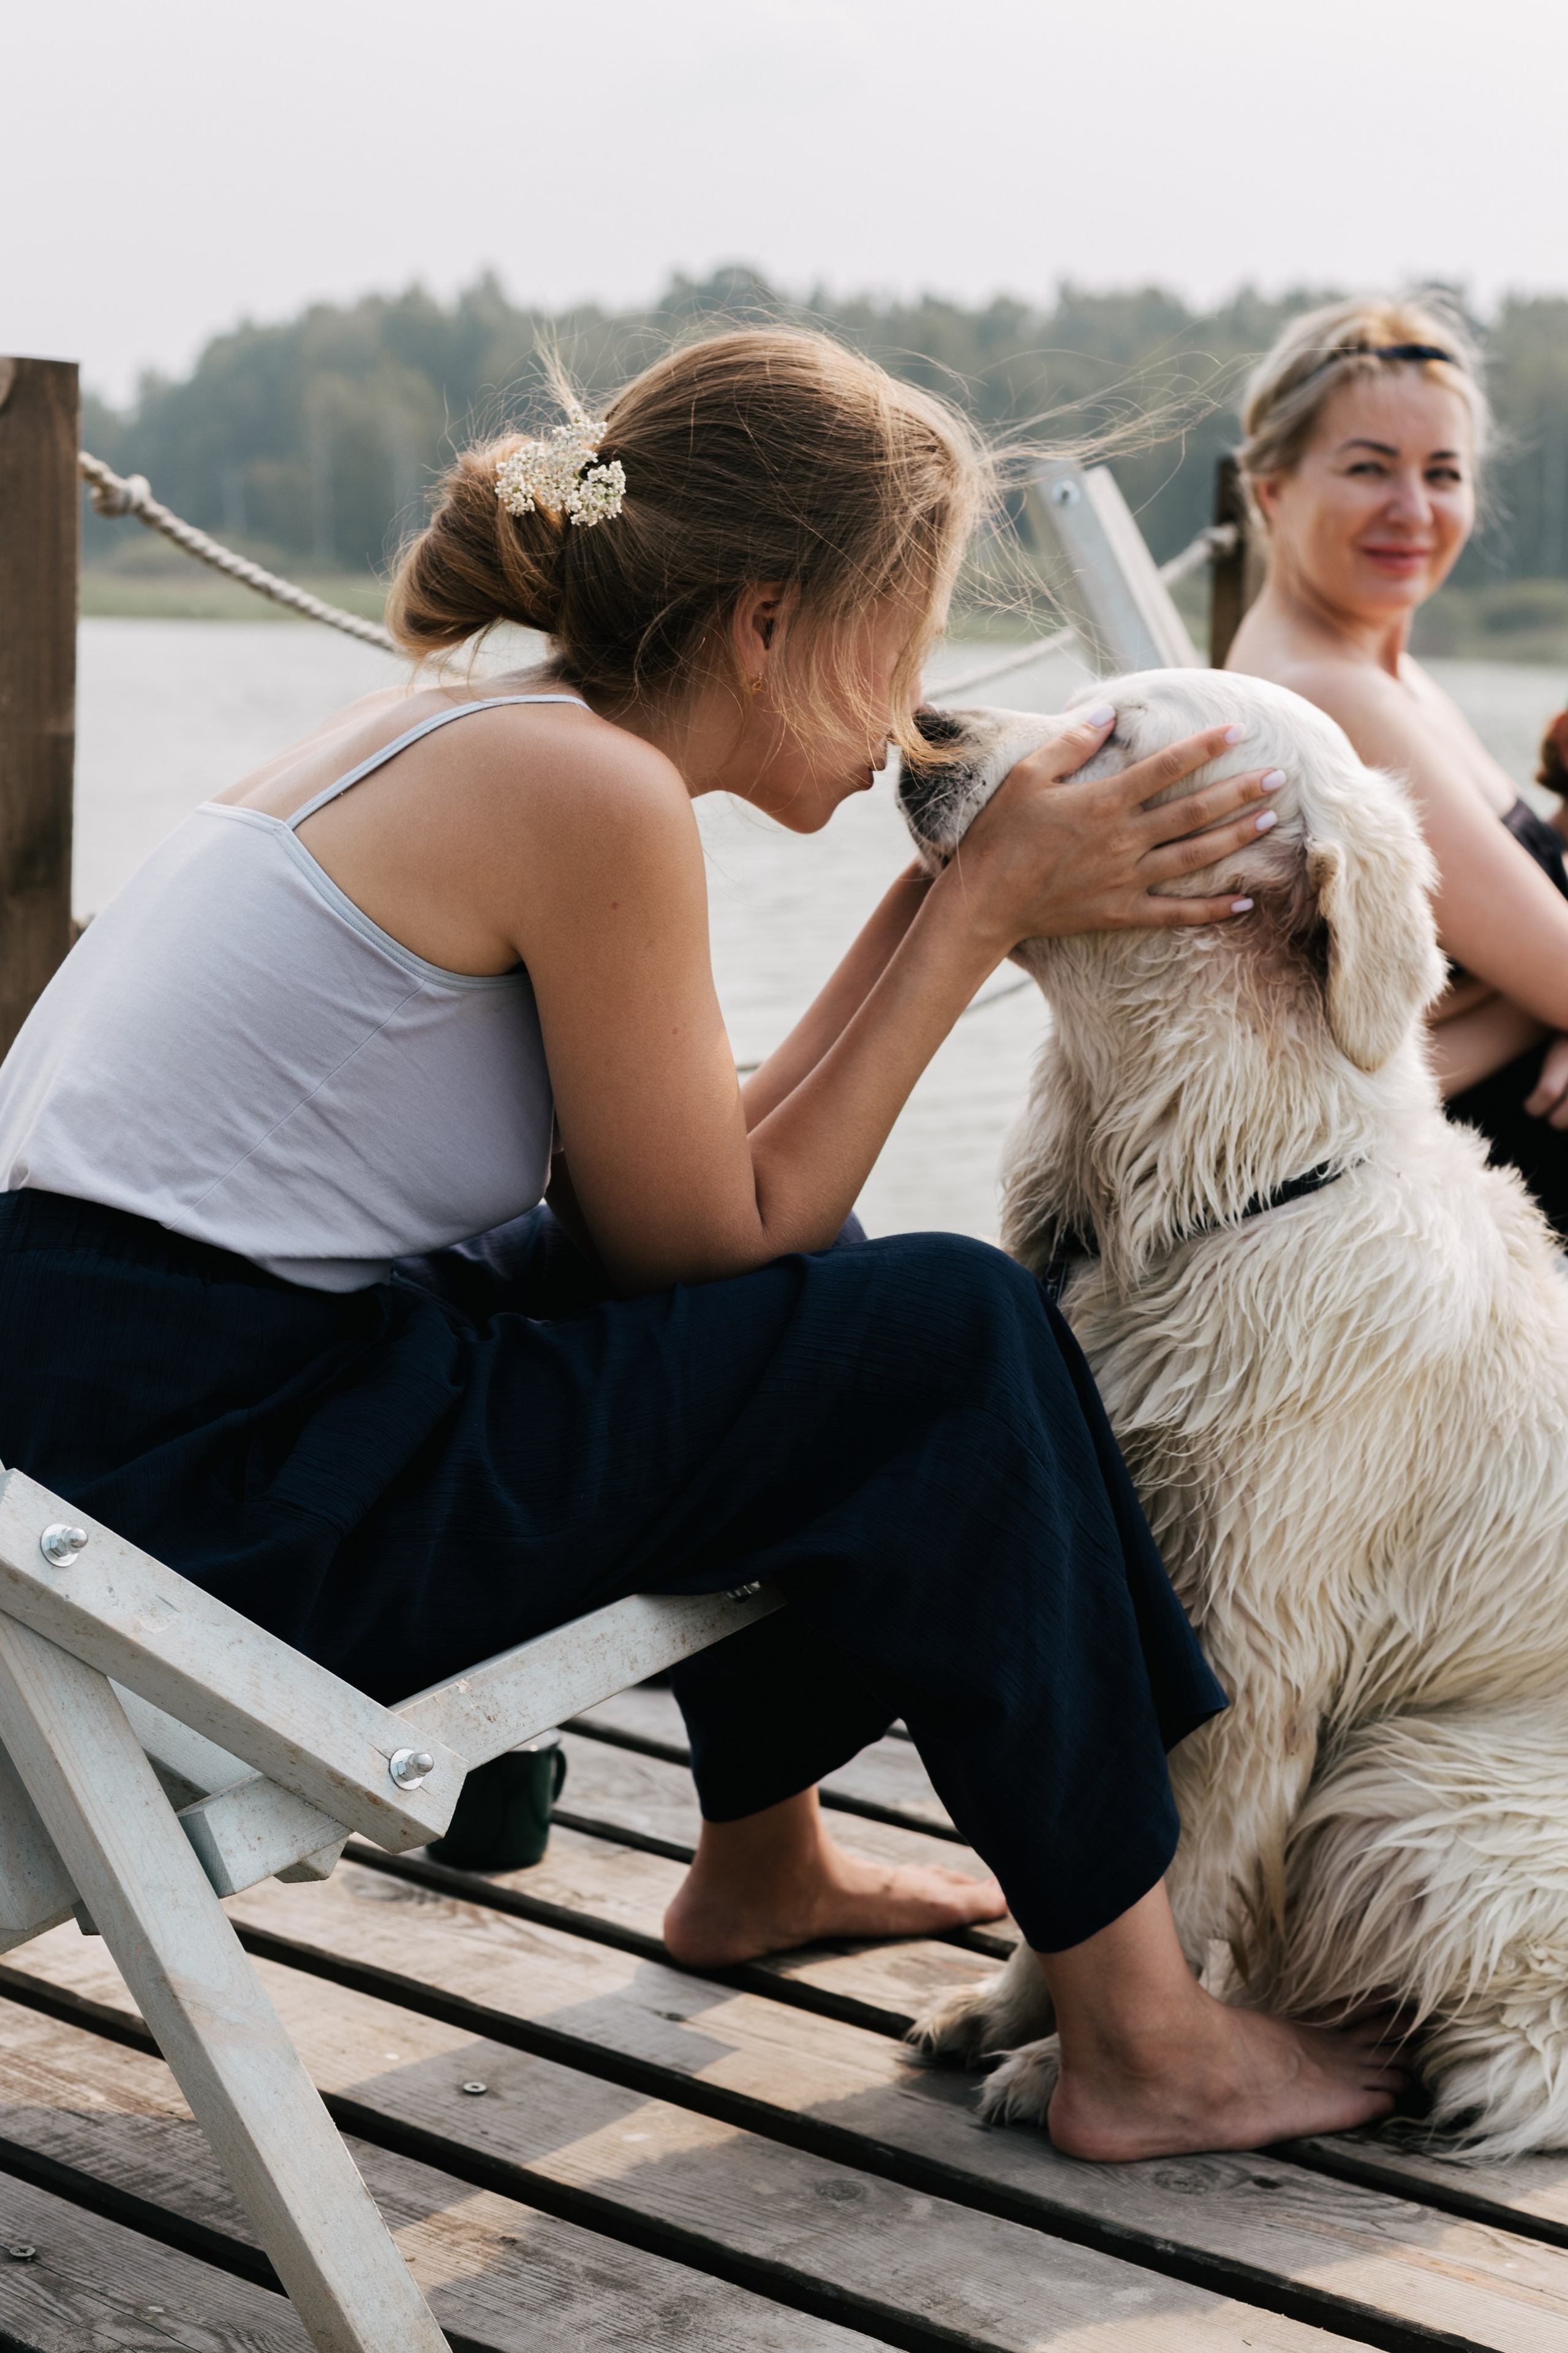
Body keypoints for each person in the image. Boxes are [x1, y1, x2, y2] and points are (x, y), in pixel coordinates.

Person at [0, 328, 1402, 2159]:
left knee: (837, 1299)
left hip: (124, 1433)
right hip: (184, 1511)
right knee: (944, 1330)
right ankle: (1149, 2040)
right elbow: (709, 1252)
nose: (917, 708)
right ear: (766, 624)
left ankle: (757, 1860)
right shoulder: (589, 796)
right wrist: (977, 909)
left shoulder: (491, 728)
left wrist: (935, 892)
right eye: (899, 643)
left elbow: (695, 1199)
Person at [1224, 296, 1568, 1236]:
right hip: (1454, 1235)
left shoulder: (1389, 671)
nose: (1412, 511)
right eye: (1369, 468)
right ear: (1273, 488)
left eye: (1443, 473)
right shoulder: (1330, 698)